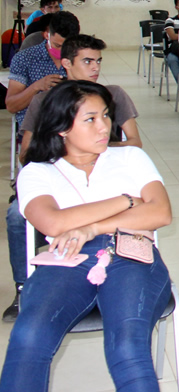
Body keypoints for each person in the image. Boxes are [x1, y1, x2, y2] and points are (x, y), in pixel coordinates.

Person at [1, 81, 173, 390]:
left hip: (130, 253)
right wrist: (125, 201)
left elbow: (160, 212)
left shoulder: (130, 157)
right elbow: (53, 224)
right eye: (90, 119)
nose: (104, 126)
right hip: (65, 259)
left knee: (127, 348)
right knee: (29, 337)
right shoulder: (38, 170)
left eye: (106, 116)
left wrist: (90, 227)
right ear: (61, 127)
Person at [5, 35, 141, 323]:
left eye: (98, 61)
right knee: (17, 216)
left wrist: (98, 149)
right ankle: (23, 287)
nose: (95, 68)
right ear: (66, 64)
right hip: (57, 179)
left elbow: (135, 142)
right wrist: (68, 153)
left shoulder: (113, 94)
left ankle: (115, 274)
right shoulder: (45, 100)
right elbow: (26, 153)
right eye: (87, 61)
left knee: (132, 209)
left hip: (104, 181)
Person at [6, 11, 80, 126]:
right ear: (46, 35)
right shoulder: (24, 59)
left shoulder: (80, 58)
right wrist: (36, 87)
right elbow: (11, 106)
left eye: (67, 46)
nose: (62, 51)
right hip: (36, 126)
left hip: (70, 123)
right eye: (57, 46)